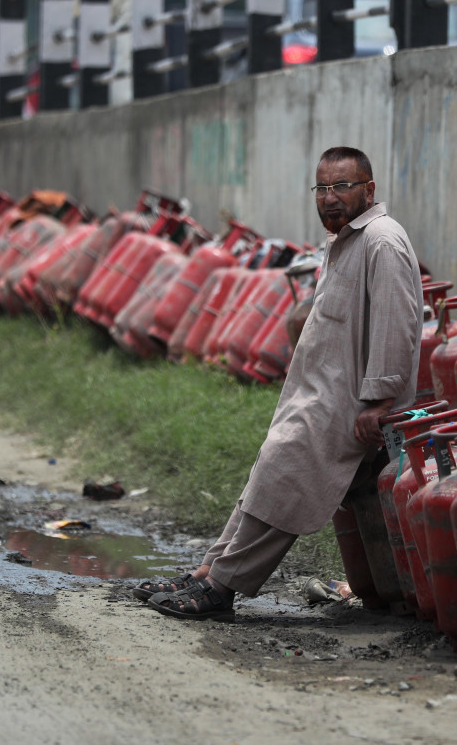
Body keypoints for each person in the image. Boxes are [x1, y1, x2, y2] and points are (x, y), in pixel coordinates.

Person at [133, 146, 424, 621]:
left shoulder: (381, 241)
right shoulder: (345, 242)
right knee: (268, 476)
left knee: (284, 484)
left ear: (369, 190)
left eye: (343, 186)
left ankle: (223, 586)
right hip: (317, 396)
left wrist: (381, 399)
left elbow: (397, 325)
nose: (331, 198)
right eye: (323, 188)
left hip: (350, 403)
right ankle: (210, 571)